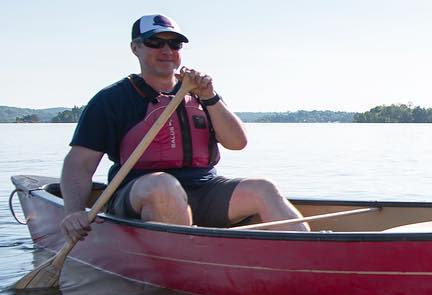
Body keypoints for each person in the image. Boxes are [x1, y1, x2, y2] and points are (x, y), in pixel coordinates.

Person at [60, 14, 308, 241]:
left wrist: (210, 97)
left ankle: (309, 257)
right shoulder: (112, 99)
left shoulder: (199, 92)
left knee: (262, 188)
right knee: (163, 186)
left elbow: (237, 143)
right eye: (155, 42)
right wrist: (73, 212)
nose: (166, 50)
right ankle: (189, 264)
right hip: (140, 195)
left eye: (174, 44)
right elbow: (79, 163)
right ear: (135, 48)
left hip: (203, 189)